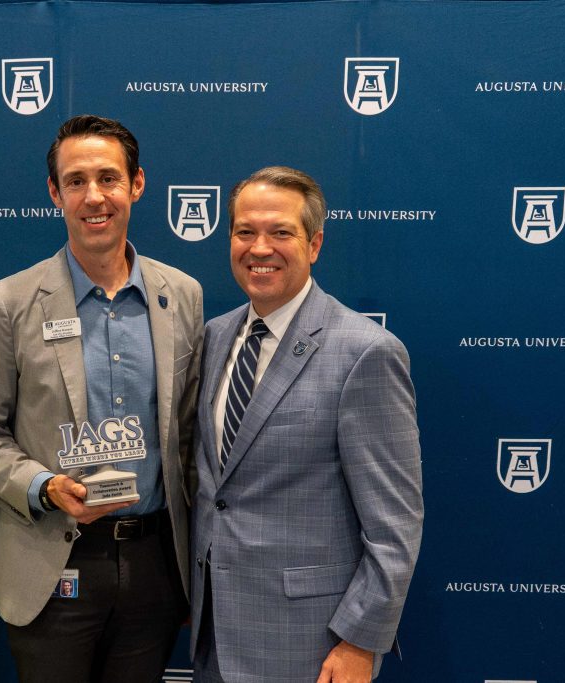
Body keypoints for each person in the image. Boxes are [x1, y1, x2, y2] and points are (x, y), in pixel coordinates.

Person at [0, 114, 203, 683]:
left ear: (136, 185)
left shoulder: (183, 295)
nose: (93, 196)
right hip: (50, 558)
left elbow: (190, 435)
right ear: (55, 193)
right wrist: (43, 487)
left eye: (108, 178)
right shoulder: (8, 303)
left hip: (154, 563)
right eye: (75, 181)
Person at [190, 167, 424, 682]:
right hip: (213, 638)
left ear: (314, 244)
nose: (260, 248)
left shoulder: (365, 353)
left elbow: (395, 527)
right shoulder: (213, 336)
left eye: (281, 232)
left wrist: (360, 641)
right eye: (245, 231)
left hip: (313, 646)